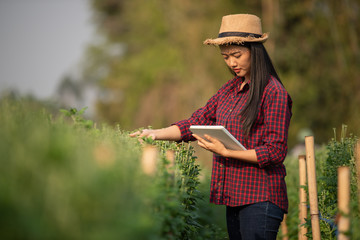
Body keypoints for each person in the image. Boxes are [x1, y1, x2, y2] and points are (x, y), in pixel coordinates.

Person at [130, 14, 292, 240]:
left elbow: (275, 151)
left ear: (254, 52)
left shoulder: (274, 92)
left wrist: (227, 152)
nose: (231, 63)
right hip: (234, 196)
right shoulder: (229, 90)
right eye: (226, 57)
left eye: (237, 55)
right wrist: (153, 134)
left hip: (261, 197)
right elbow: (195, 124)